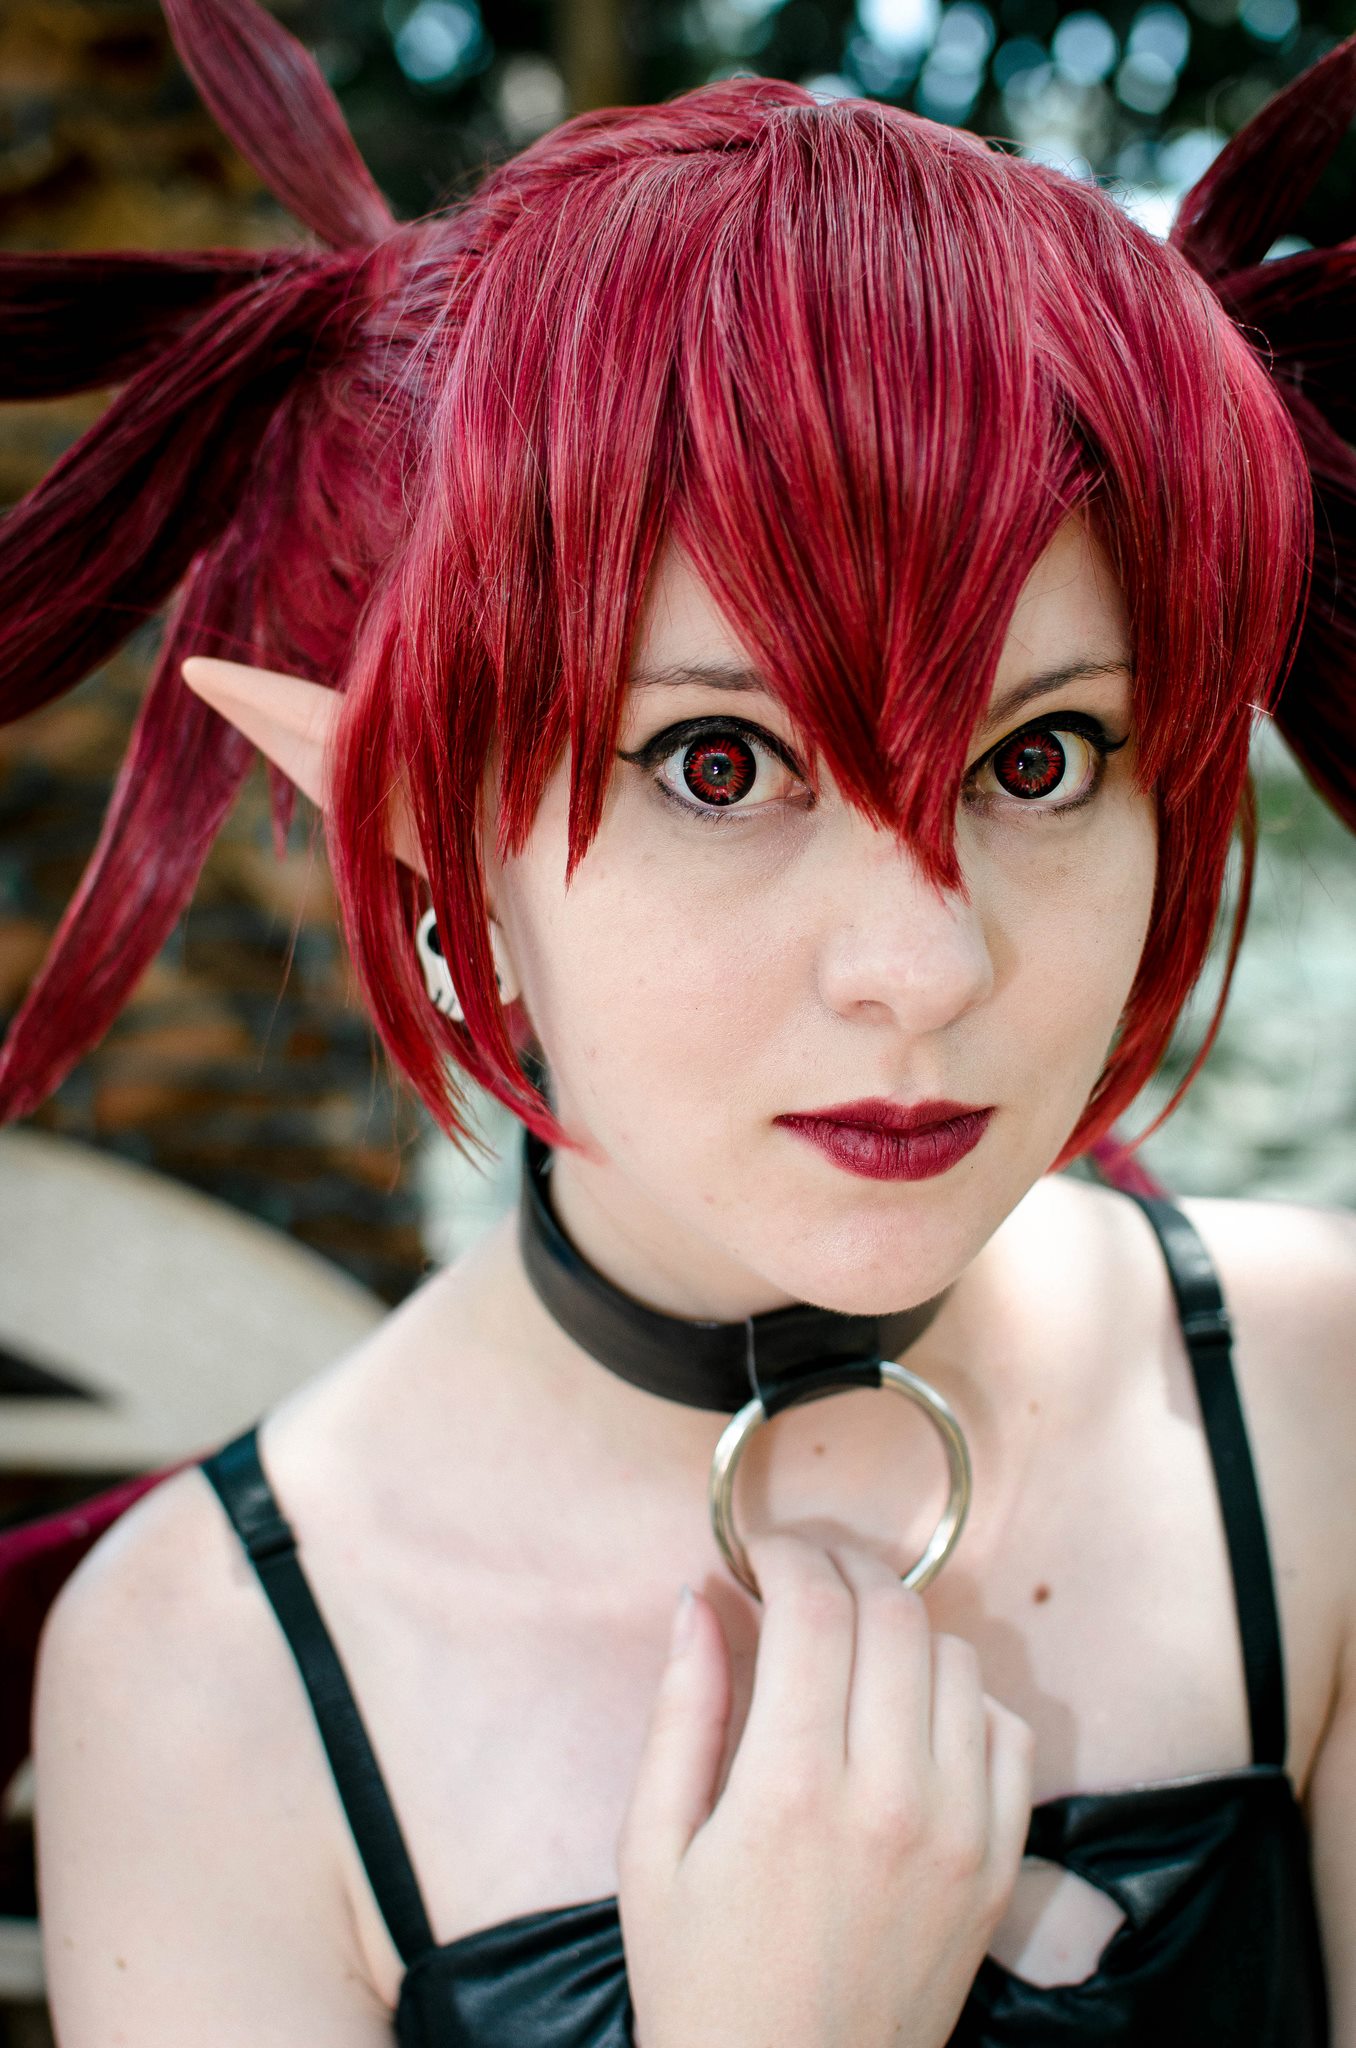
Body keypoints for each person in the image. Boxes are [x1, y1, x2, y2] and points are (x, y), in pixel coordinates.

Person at [1, 0, 1354, 2039]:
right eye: (721, 767)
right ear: (414, 814)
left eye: (1044, 757)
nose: (926, 965)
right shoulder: (201, 1674)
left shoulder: (1325, 1405)